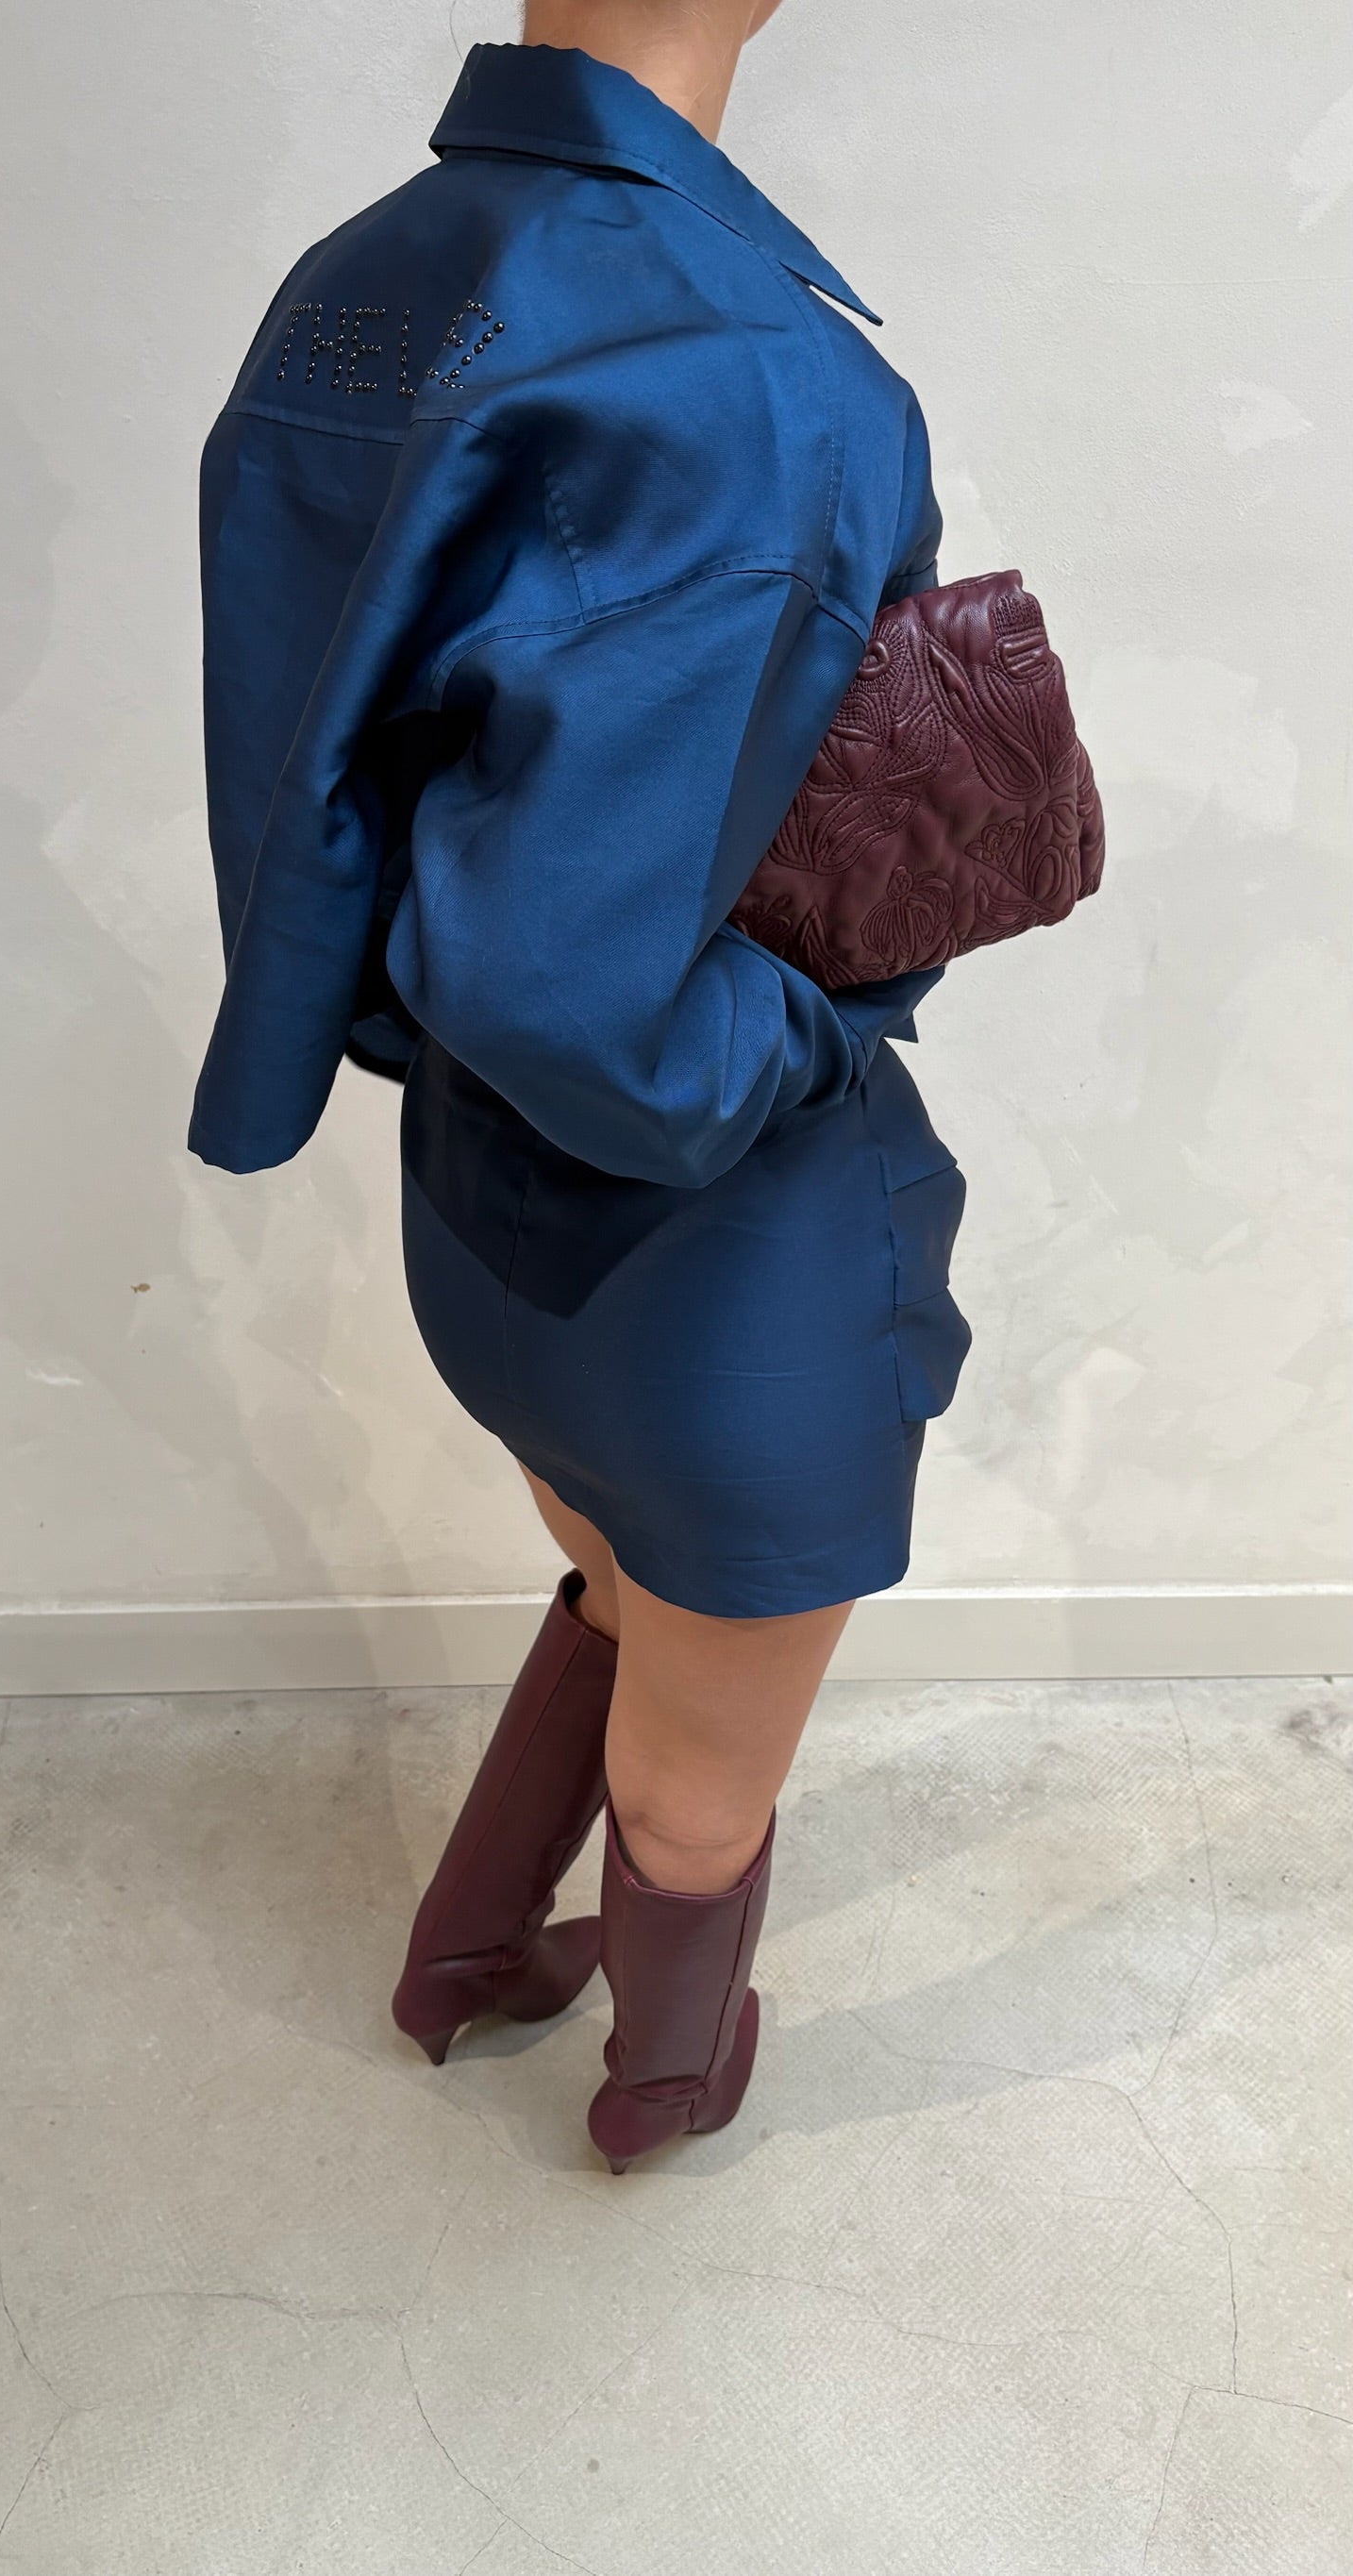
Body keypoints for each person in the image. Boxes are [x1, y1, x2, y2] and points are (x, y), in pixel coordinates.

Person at [190, 0, 971, 2172]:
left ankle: (463, 1957)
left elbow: (313, 756)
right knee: (698, 1784)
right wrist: (823, 1028)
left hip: (487, 1211)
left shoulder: (370, 277)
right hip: (722, 1259)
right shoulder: (759, 373)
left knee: (623, 1578)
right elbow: (583, 984)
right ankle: (664, 2090)